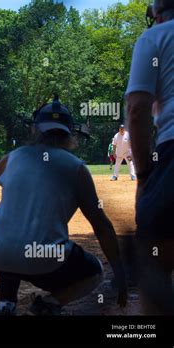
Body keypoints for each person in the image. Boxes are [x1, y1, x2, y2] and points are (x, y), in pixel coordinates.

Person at [0, 96, 127, 315]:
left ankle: (6, 305)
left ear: (35, 130)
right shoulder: (76, 168)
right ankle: (48, 305)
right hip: (43, 262)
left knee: (12, 237)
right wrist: (120, 275)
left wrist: (6, 172)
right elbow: (102, 226)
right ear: (70, 133)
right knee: (94, 271)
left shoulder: (15, 156)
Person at [126, 0, 174, 314]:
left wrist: (144, 176)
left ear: (156, 13)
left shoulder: (155, 37)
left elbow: (138, 108)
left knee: (153, 259)